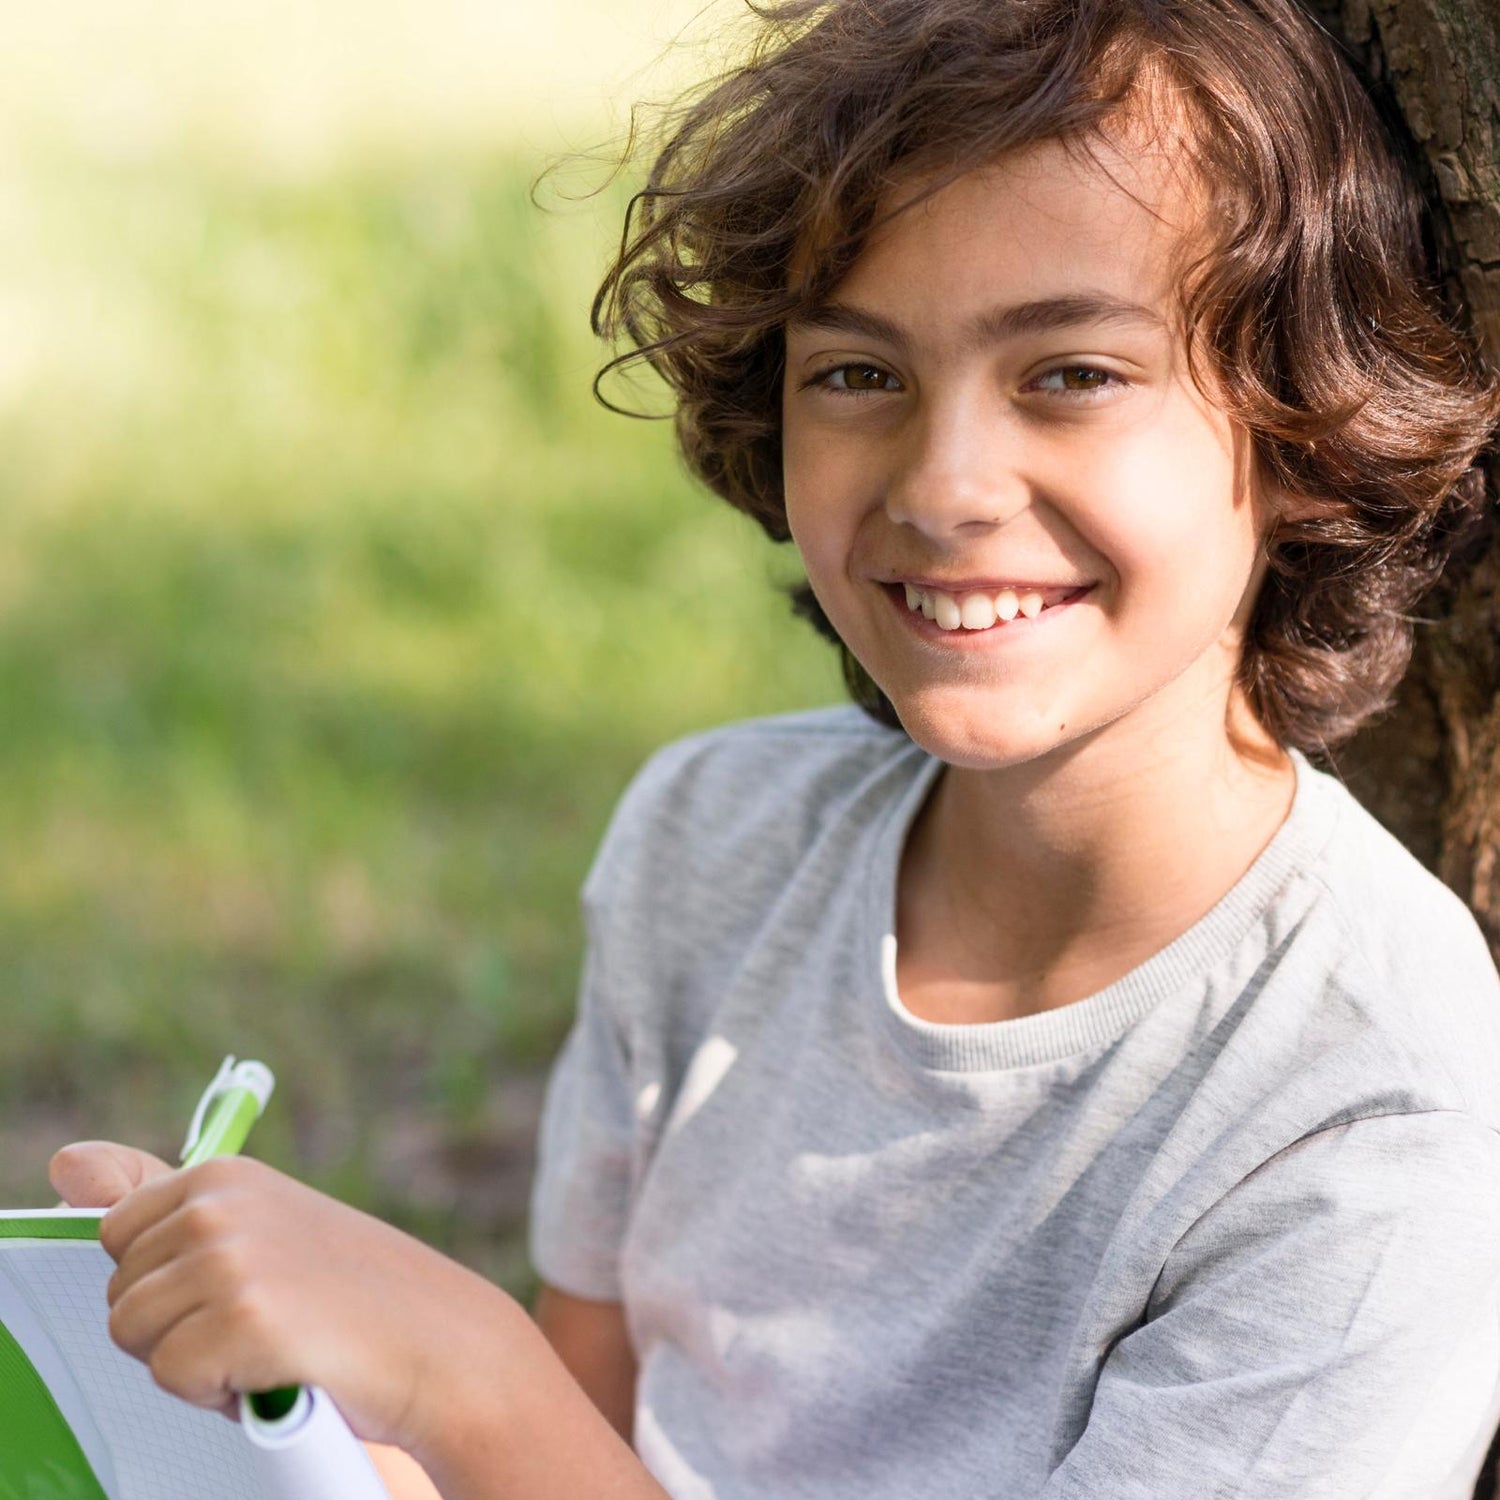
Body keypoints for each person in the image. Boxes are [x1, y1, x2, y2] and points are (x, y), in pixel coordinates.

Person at [49, 0, 1500, 1496]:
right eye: (857, 373)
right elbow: (588, 1450)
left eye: (1072, 372)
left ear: (1307, 428)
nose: (943, 487)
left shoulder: (1365, 1103)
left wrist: (461, 1378)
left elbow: (520, 1426)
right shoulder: (712, 842)